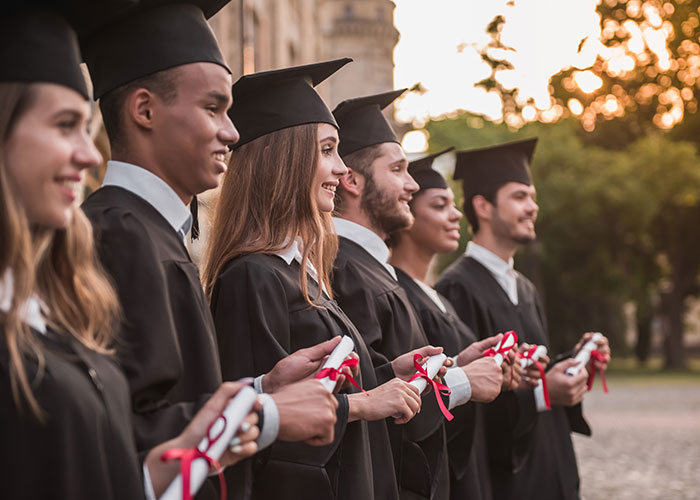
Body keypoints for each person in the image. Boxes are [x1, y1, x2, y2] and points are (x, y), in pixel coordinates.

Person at [77, 1, 340, 497]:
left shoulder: (151, 232)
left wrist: (261, 389)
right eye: (212, 108)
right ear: (144, 110)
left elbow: (173, 400)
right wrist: (264, 414)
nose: (233, 133)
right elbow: (110, 436)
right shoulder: (119, 235)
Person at [0, 7, 259, 499]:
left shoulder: (37, 310)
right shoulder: (121, 230)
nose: (91, 153)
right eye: (63, 124)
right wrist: (267, 408)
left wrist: (166, 466)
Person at [202, 58, 450, 500]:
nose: (341, 168)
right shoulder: (251, 277)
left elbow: (314, 389)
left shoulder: (300, 272)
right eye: (327, 150)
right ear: (284, 160)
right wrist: (361, 404)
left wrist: (386, 372)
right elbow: (266, 438)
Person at [331, 90, 513, 500]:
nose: (411, 184)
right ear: (353, 180)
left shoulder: (370, 268)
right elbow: (372, 405)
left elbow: (381, 377)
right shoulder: (344, 269)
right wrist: (461, 382)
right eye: (397, 169)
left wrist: (450, 367)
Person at [435, 138, 611, 500]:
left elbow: (531, 374)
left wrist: (571, 365)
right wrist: (545, 393)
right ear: (483, 206)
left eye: (532, 196)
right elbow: (467, 401)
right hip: (507, 482)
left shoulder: (525, 288)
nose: (533, 207)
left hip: (551, 465)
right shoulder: (456, 289)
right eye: (519, 197)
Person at [389, 148, 548, 500]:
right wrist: (466, 376)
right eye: (439, 205)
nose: (454, 216)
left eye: (452, 204)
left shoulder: (438, 298)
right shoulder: (413, 293)